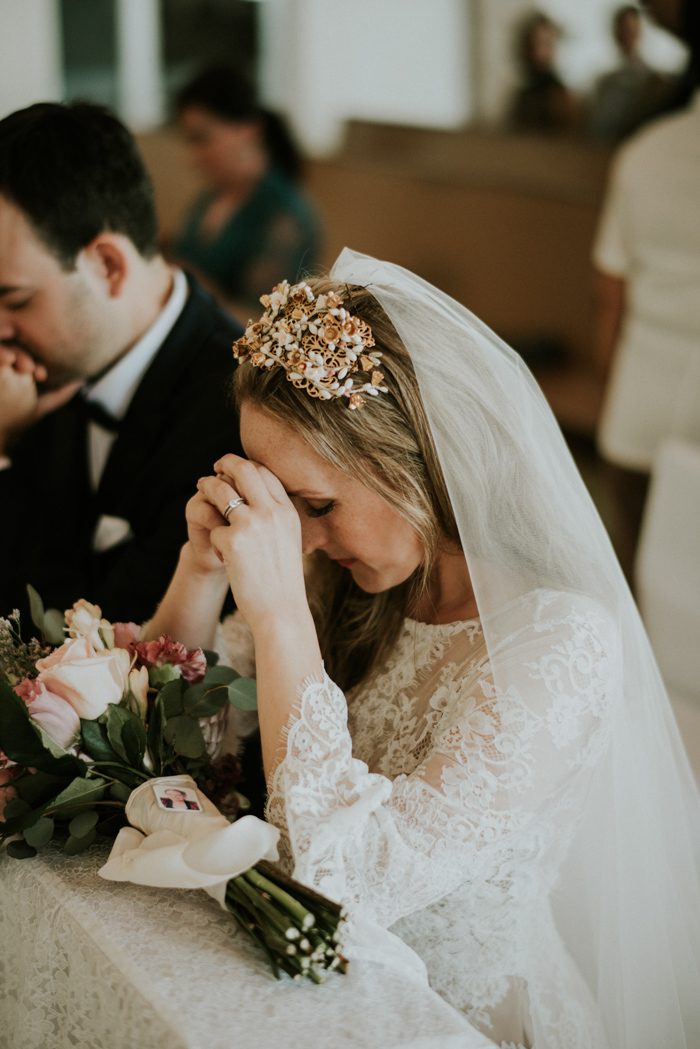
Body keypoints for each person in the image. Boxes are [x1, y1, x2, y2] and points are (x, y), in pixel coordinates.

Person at [146, 250, 700, 1048]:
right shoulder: (335, 578)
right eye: (281, 502)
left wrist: (280, 621)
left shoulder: (559, 645)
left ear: (415, 461)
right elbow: (190, 763)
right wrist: (199, 571)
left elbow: (354, 882)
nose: (298, 536)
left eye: (318, 502)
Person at [0, 101, 243, 624]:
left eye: (15, 301)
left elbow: (110, 658)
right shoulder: (36, 368)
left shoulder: (238, 408)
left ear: (107, 265)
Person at [593, 0, 700, 578]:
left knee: (644, 584)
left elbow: (611, 298)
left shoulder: (645, 153)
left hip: (638, 411)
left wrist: (609, 392)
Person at [171, 66, 320, 316]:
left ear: (249, 130)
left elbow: (265, 321)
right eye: (189, 141)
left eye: (202, 138)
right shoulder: (210, 198)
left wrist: (190, 284)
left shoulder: (286, 215)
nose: (193, 158)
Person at [589, 5, 671, 141]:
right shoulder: (605, 82)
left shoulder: (655, 80)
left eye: (631, 31)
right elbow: (598, 128)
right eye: (623, 31)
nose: (627, 37)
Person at [509, 12, 577, 134]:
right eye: (533, 44)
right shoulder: (523, 92)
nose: (538, 52)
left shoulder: (559, 96)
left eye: (546, 44)